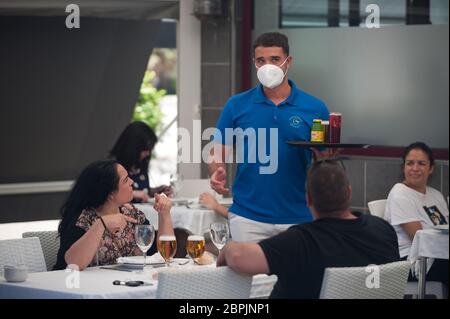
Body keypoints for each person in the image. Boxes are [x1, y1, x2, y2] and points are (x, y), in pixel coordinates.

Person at [208, 32, 333, 242]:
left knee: (295, 276)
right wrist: (217, 171)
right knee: (249, 275)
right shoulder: (237, 105)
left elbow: (324, 161)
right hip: (247, 217)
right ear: (254, 64)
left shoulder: (315, 108)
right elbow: (218, 150)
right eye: (261, 60)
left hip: (299, 215)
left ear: (288, 62)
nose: (268, 66)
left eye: (274, 59)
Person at [217, 160, 400, 298]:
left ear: (308, 200)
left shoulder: (302, 241)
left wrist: (228, 247)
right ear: (349, 192)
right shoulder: (383, 230)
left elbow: (239, 258)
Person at [54, 160, 174, 270]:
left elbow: (163, 255)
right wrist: (101, 224)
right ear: (110, 193)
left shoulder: (131, 212)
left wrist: (164, 214)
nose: (132, 182)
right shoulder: (82, 219)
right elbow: (74, 264)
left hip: (125, 285)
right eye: (126, 180)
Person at [384, 142, 449, 287]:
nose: (415, 168)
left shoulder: (436, 195)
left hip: (438, 256)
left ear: (431, 168)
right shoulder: (400, 193)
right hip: (411, 262)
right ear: (403, 167)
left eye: (421, 163)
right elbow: (418, 237)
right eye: (410, 163)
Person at [109, 121, 172, 203]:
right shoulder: (114, 167)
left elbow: (143, 191)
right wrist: (133, 193)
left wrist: (158, 190)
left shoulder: (140, 165)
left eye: (149, 149)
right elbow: (106, 194)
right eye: (145, 149)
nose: (148, 153)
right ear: (132, 147)